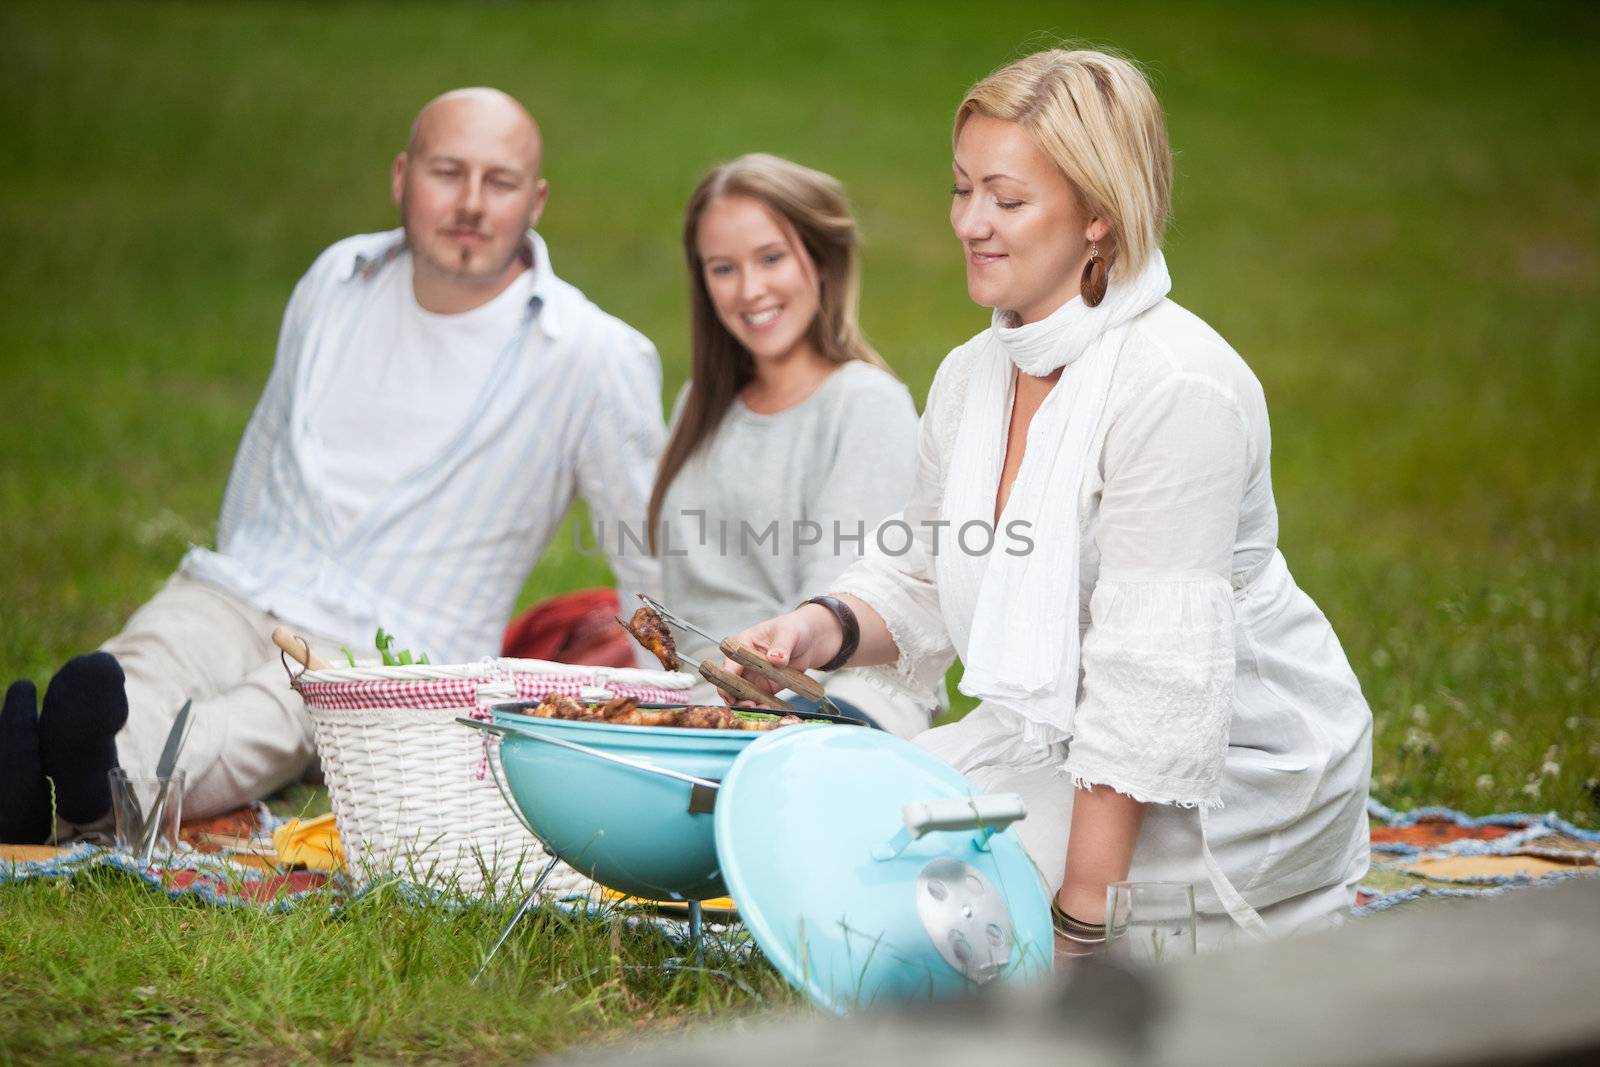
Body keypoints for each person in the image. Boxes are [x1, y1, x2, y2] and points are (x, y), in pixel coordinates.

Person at [722, 50, 1372, 951]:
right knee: (817, 817)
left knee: (932, 907)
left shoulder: (1178, 387)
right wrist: (813, 630)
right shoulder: (972, 375)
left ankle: (1219, 914)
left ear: (1100, 215)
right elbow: (916, 571)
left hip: (1227, 772)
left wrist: (1079, 926)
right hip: (1056, 743)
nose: (969, 223)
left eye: (1006, 199)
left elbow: (1151, 691)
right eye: (961, 190)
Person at [0, 88, 665, 843]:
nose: (472, 203)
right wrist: (234, 566)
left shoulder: (592, 353)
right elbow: (265, 451)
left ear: (536, 200)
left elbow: (646, 547)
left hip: (380, 649)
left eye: (500, 182)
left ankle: (76, 789)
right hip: (248, 581)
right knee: (139, 667)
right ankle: (66, 776)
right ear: (401, 178)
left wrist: (664, 717)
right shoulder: (337, 278)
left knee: (253, 724)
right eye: (448, 172)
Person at [646, 154, 938, 737]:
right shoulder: (702, 405)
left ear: (822, 259)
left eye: (771, 258)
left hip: (826, 705)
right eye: (723, 268)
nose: (750, 290)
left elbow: (835, 611)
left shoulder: (864, 404)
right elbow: (679, 604)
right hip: (705, 706)